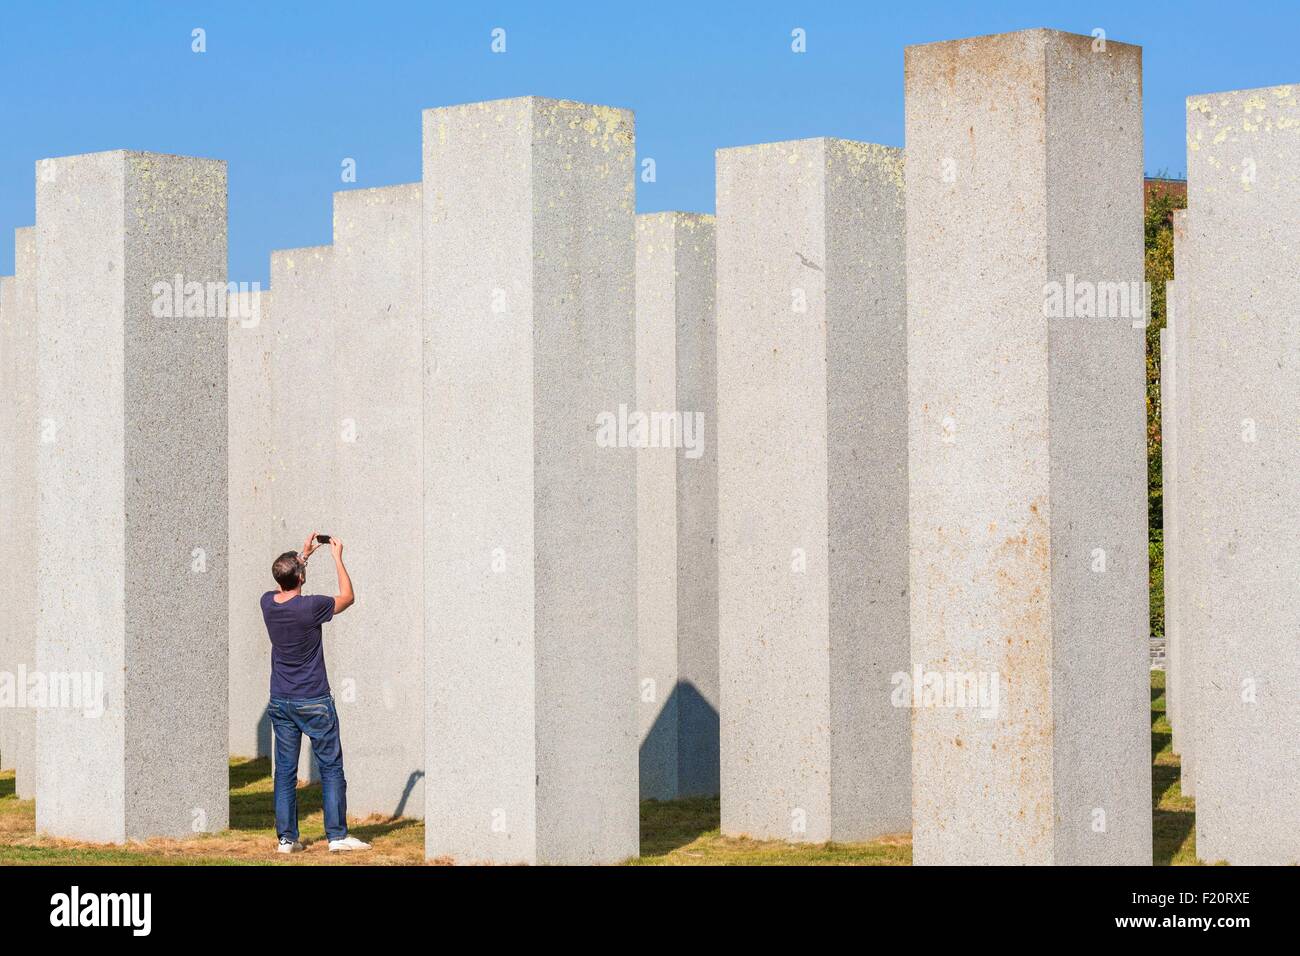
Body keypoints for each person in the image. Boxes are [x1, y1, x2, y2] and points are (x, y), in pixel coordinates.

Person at [262, 530, 370, 854]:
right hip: (314, 700)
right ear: (302, 577)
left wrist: (303, 555)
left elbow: (288, 580)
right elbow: (347, 596)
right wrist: (337, 558)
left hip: (281, 700)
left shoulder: (268, 603)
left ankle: (287, 840)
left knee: (285, 772)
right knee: (331, 767)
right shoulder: (312, 607)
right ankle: (336, 836)